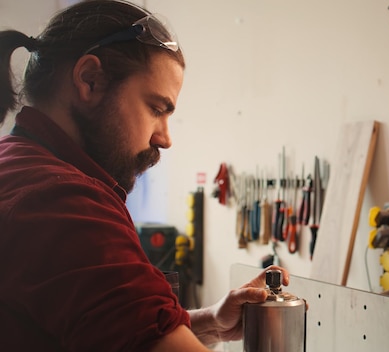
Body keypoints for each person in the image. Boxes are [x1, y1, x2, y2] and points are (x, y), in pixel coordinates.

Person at [0, 1, 290, 351]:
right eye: (156, 109)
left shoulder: (18, 164)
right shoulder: (62, 203)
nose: (165, 138)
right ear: (90, 80)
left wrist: (211, 323)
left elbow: (115, 333)